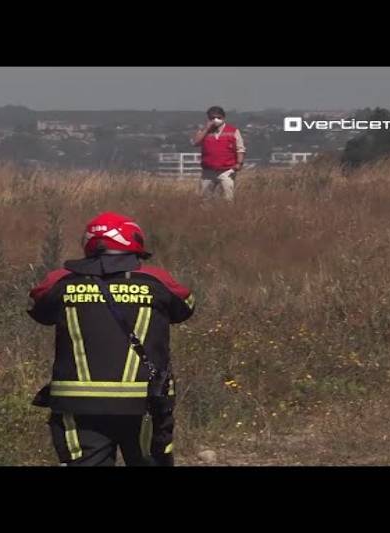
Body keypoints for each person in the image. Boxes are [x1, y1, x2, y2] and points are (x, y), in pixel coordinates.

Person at [28, 212, 195, 466]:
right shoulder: (156, 280)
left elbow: (38, 309)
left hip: (79, 406)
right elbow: (185, 307)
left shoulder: (60, 281)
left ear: (89, 243)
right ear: (135, 241)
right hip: (145, 403)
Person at [191, 106, 246, 202]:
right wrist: (206, 129)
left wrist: (239, 163)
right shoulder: (204, 131)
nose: (216, 120)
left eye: (218, 117)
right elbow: (196, 142)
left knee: (228, 197)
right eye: (212, 118)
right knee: (205, 199)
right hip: (208, 171)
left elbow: (240, 149)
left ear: (223, 118)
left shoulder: (233, 131)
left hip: (227, 170)